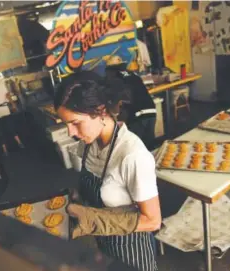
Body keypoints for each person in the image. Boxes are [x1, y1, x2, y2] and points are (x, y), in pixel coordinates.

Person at [54, 71, 161, 271]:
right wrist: (75, 198)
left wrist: (95, 220)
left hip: (132, 253)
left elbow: (153, 221)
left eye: (75, 123)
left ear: (101, 111)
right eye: (66, 124)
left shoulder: (131, 155)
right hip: (103, 247)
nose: (71, 133)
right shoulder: (87, 144)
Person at [105, 56, 157, 150]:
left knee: (136, 147)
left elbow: (116, 98)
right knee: (149, 145)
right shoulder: (132, 73)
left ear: (110, 68)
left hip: (137, 114)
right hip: (151, 109)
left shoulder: (114, 77)